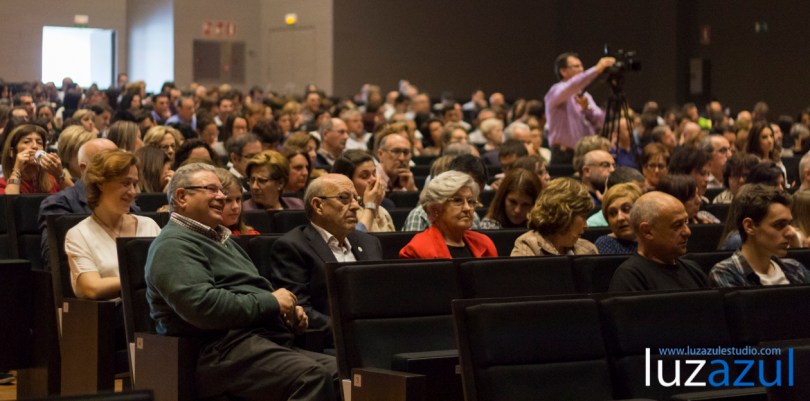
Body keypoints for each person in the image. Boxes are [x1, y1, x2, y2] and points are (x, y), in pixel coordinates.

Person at [146, 163, 337, 400]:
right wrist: (272, 303)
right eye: (210, 189)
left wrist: (286, 313)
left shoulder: (219, 239)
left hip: (257, 341)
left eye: (221, 191)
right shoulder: (173, 245)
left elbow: (249, 289)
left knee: (341, 372)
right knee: (312, 377)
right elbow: (203, 307)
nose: (221, 196)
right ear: (182, 197)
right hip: (219, 352)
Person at [267, 174, 382, 343]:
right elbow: (301, 310)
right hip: (330, 342)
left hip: (377, 337)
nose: (356, 206)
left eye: (357, 199)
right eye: (344, 199)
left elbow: (381, 297)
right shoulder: (292, 247)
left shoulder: (370, 243)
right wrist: (353, 333)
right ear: (318, 205)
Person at [65, 149, 161, 299]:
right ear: (101, 183)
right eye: (125, 183)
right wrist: (146, 279)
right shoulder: (79, 234)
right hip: (111, 317)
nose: (133, 192)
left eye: (135, 184)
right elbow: (92, 288)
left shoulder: (149, 225)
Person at [38, 138, 124, 271]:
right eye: (107, 162)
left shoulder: (126, 201)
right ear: (84, 169)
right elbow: (56, 261)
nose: (116, 168)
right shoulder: (59, 204)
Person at [709, 185, 810, 287]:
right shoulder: (726, 274)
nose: (790, 233)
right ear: (749, 226)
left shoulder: (795, 269)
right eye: (779, 225)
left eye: (789, 223)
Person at [608, 191, 708, 292]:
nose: (687, 232)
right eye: (677, 225)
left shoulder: (693, 269)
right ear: (647, 231)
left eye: (686, 222)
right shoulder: (629, 277)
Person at [400, 170, 497, 258]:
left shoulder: (485, 244)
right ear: (435, 209)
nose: (467, 208)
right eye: (458, 200)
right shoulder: (417, 250)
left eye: (471, 201)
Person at [544, 53, 616, 164]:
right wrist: (596, 70)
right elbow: (573, 85)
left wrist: (587, 108)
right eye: (576, 66)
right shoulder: (555, 92)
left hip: (584, 153)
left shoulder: (585, 95)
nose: (581, 69)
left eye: (582, 66)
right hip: (563, 154)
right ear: (563, 71)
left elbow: (600, 122)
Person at [511, 177, 598, 256]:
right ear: (564, 214)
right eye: (583, 217)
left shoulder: (589, 249)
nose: (586, 226)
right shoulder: (528, 246)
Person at [331, 149, 394, 232]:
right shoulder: (342, 213)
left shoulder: (383, 212)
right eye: (364, 176)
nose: (374, 179)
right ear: (346, 181)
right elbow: (356, 241)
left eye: (374, 173)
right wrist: (370, 206)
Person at [1, 124, 71, 194]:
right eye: (27, 142)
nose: (35, 146)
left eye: (39, 143)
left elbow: (76, 198)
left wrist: (59, 174)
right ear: (12, 152)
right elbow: (10, 203)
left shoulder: (52, 181)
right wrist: (16, 171)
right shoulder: (3, 183)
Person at [594, 183, 643, 254]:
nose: (620, 218)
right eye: (612, 213)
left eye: (626, 209)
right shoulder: (605, 244)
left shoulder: (654, 241)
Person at [215, 168, 258, 235]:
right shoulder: (201, 238)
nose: (236, 206)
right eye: (227, 200)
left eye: (238, 199)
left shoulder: (251, 235)